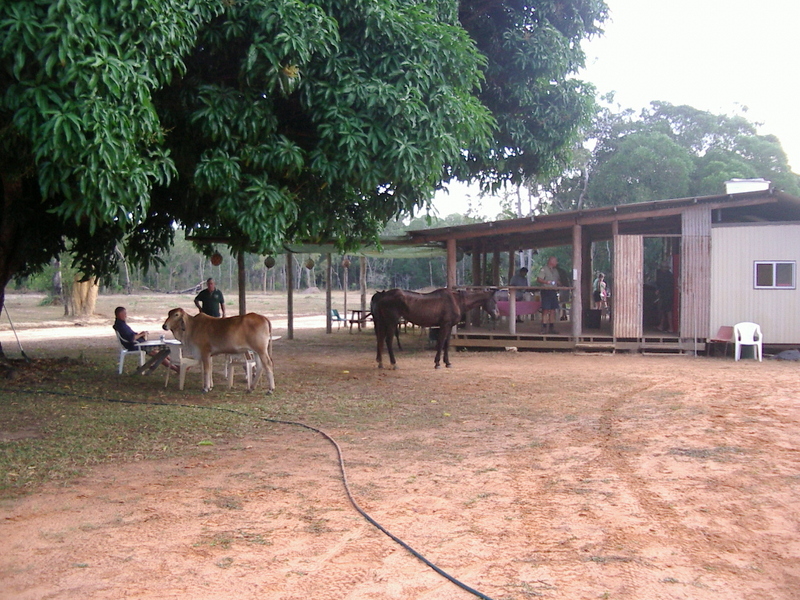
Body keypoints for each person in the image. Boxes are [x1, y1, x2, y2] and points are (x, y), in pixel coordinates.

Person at [113, 306, 176, 372]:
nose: (126, 316)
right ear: (120, 314)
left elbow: (131, 335)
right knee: (158, 354)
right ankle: (176, 368)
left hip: (137, 344)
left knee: (161, 352)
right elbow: (131, 338)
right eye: (124, 314)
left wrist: (140, 334)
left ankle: (176, 366)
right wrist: (141, 335)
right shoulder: (121, 326)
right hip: (135, 346)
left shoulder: (121, 324)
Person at [536, 256, 560, 334]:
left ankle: (551, 328)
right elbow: (539, 279)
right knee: (545, 310)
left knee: (553, 309)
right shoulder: (544, 269)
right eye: (555, 261)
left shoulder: (556, 271)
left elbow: (557, 280)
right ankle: (544, 327)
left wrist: (560, 284)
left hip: (553, 291)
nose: (557, 262)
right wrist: (546, 282)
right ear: (551, 261)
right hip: (546, 291)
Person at [655, 261, 674, 332]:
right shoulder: (669, 275)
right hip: (666, 295)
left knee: (668, 311)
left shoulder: (667, 276)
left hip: (667, 295)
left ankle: (670, 327)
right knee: (664, 311)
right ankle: (661, 326)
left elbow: (664, 285)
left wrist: (659, 290)